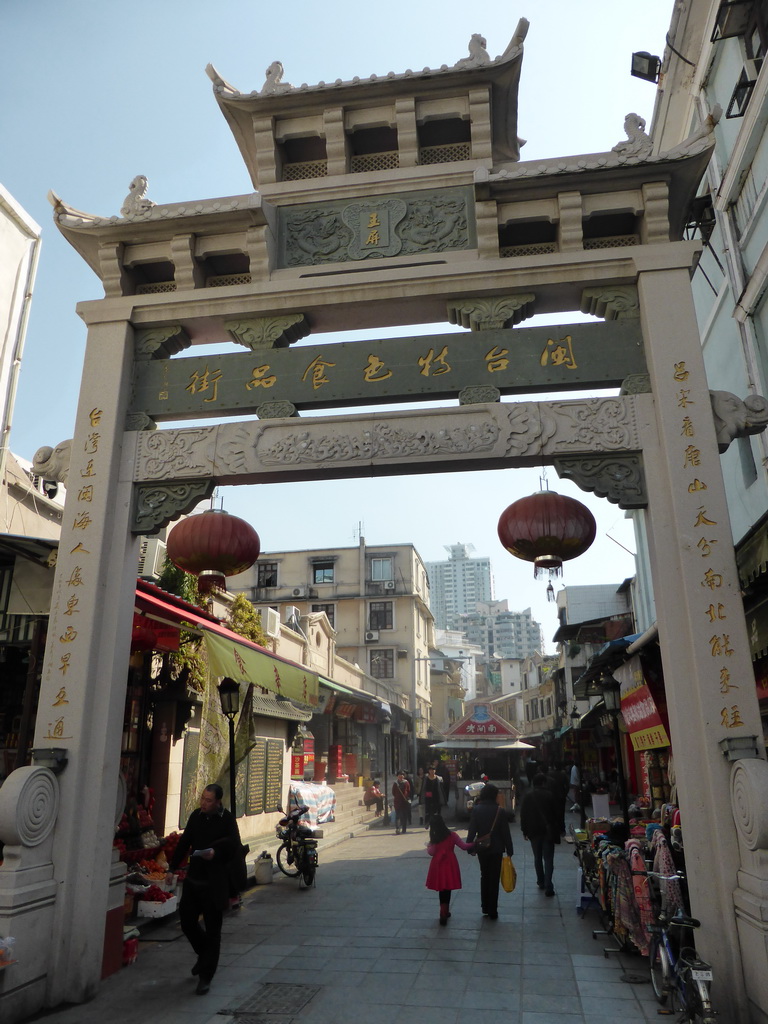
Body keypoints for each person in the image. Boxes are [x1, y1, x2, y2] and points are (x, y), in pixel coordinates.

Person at [165, 783, 241, 995]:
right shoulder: (195, 816)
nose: (203, 804)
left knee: (213, 930)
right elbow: (184, 841)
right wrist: (172, 867)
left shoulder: (226, 819)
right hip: (194, 879)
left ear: (218, 802)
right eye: (202, 799)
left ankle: (206, 976)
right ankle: (204, 955)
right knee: (187, 922)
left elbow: (234, 845)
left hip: (215, 882)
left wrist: (215, 853)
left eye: (208, 801)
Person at [466, 783, 514, 919]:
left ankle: (485, 906)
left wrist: (469, 847)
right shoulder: (500, 811)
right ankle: (493, 909)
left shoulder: (476, 810)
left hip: (482, 848)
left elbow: (472, 830)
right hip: (497, 849)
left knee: (484, 876)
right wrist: (509, 849)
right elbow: (506, 833)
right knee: (494, 878)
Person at [425, 814, 475, 924]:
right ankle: (445, 911)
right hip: (450, 863)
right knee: (447, 888)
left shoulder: (434, 838)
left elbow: (431, 852)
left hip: (438, 864)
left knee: (441, 889)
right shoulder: (452, 835)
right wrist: (475, 843)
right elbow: (464, 846)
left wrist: (428, 845)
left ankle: (442, 912)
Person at [520, 773, 561, 897]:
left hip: (533, 832)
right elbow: (557, 814)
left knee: (537, 858)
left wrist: (524, 831)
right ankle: (549, 886)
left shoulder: (528, 796)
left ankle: (541, 881)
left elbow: (523, 815)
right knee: (548, 859)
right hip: (547, 832)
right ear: (544, 783)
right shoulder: (550, 795)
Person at [392, 770, 411, 834]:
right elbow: (393, 792)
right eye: (400, 775)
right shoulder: (395, 783)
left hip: (404, 802)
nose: (401, 776)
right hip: (397, 802)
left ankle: (404, 829)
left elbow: (408, 791)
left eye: (402, 775)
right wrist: (398, 797)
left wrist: (407, 797)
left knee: (404, 816)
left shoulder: (406, 782)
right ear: (397, 776)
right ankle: (397, 828)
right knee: (398, 815)